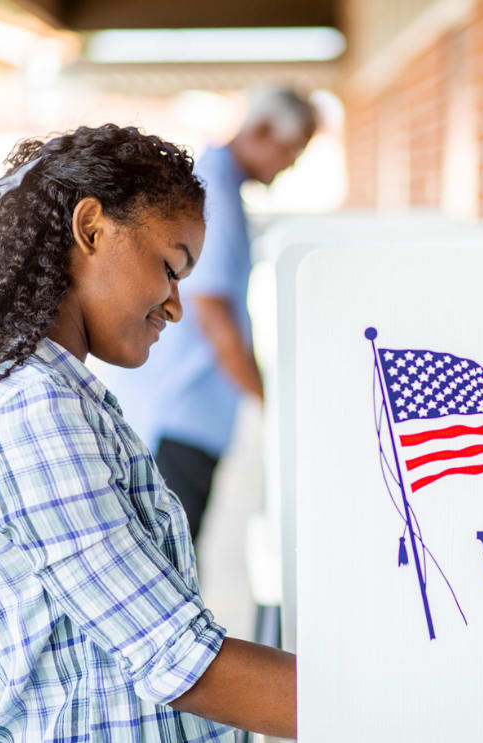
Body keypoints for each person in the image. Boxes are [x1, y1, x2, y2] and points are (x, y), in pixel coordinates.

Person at [0, 124, 296, 741]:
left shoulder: (54, 394)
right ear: (90, 230)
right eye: (171, 267)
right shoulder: (32, 410)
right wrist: (395, 706)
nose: (174, 306)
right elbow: (181, 662)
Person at [101, 86, 317, 543]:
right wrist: (274, 405)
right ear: (260, 131)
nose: (294, 163)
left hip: (192, 418)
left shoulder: (226, 187)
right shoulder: (211, 192)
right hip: (177, 417)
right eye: (294, 148)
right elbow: (214, 315)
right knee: (168, 573)